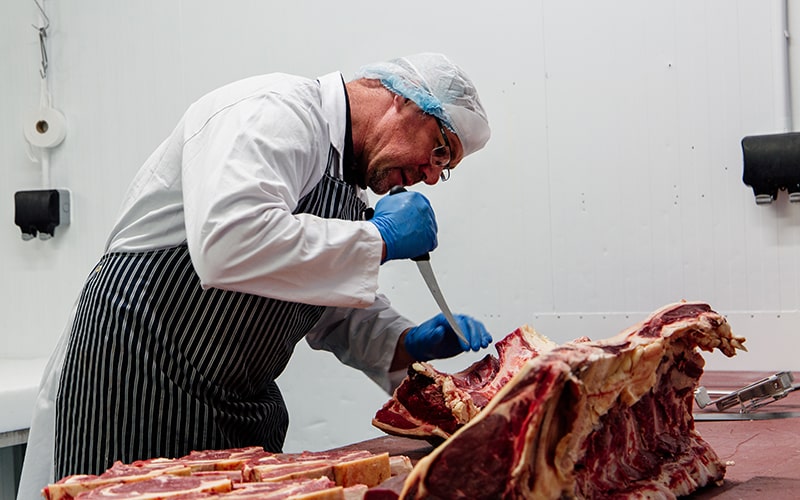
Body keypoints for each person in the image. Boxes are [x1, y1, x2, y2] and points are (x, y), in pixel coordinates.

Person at [16, 52, 492, 498]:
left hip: (232, 402)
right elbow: (230, 241)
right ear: (404, 99)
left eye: (444, 168)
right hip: (136, 380)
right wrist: (380, 239)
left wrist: (406, 343)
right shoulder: (276, 111)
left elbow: (321, 306)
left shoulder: (347, 190)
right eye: (440, 150)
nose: (432, 176)